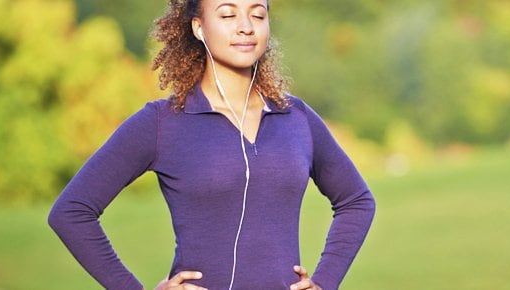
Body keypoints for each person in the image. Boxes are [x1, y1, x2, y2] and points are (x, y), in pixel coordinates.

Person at [47, 0, 376, 289]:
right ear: (199, 27)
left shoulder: (296, 118)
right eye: (228, 15)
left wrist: (325, 281)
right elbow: (72, 212)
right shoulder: (163, 122)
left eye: (257, 15)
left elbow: (357, 201)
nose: (245, 27)